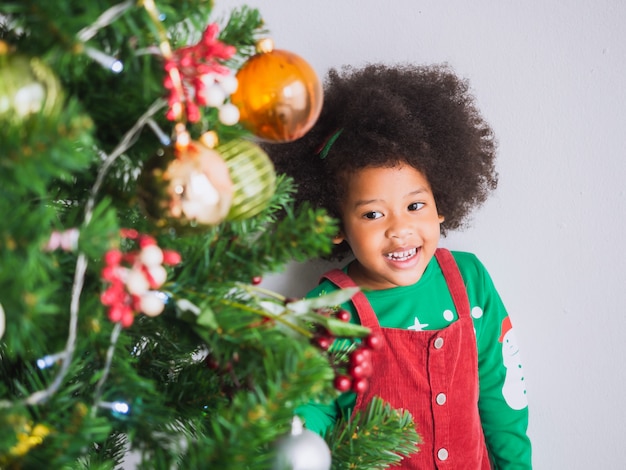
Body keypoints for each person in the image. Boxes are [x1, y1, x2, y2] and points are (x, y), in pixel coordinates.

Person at [265, 63, 532, 469]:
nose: (399, 229)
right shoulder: (332, 306)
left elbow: (501, 393)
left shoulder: (470, 279)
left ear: (441, 203)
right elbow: (308, 412)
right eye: (373, 215)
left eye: (415, 206)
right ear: (335, 225)